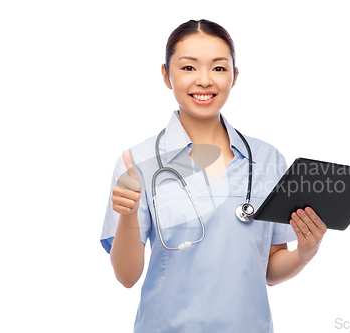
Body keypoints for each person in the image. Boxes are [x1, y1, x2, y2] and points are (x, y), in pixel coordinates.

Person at [100, 19, 327, 333]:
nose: (204, 80)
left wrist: (305, 252)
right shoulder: (138, 162)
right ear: (166, 75)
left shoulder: (267, 159)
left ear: (235, 76)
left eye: (219, 68)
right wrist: (126, 213)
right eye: (188, 68)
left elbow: (271, 269)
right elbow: (126, 277)